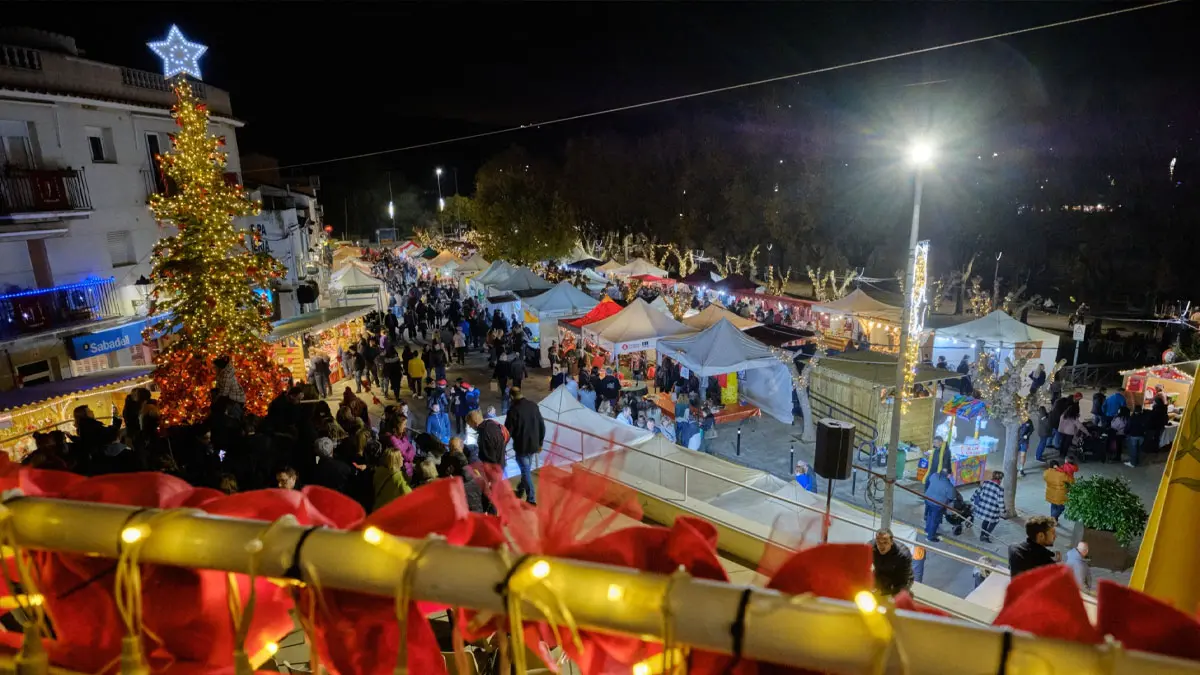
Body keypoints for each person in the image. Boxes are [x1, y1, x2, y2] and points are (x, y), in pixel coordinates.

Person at [504, 387, 545, 505]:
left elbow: (507, 432)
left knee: (525, 471)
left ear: (511, 397)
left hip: (522, 446)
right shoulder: (533, 406)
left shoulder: (513, 411)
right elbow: (542, 426)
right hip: (534, 445)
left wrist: (503, 446)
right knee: (525, 469)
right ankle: (521, 489)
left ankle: (531, 498)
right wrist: (540, 443)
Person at [369, 439, 412, 511]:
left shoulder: (378, 472)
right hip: (390, 511)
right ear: (396, 460)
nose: (402, 458)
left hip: (377, 509)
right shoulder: (399, 477)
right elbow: (410, 497)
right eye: (400, 457)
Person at [871, 529, 914, 597]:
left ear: (891, 542)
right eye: (878, 542)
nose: (881, 546)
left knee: (899, 597)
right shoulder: (871, 547)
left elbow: (903, 581)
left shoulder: (903, 555)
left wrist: (897, 594)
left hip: (900, 577)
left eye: (885, 542)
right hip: (881, 572)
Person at [971, 471, 1005, 543]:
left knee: (986, 520)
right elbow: (1000, 502)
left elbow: (977, 491)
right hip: (993, 511)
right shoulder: (1000, 489)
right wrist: (1003, 510)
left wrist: (972, 498)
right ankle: (986, 536)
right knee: (994, 522)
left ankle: (982, 535)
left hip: (983, 508)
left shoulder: (985, 483)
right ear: (1000, 479)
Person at [923, 468, 956, 542]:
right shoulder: (949, 486)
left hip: (928, 499)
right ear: (949, 475)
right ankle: (930, 537)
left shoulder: (934, 475)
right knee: (935, 520)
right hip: (937, 505)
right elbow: (952, 497)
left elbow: (930, 481)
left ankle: (927, 530)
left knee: (929, 516)